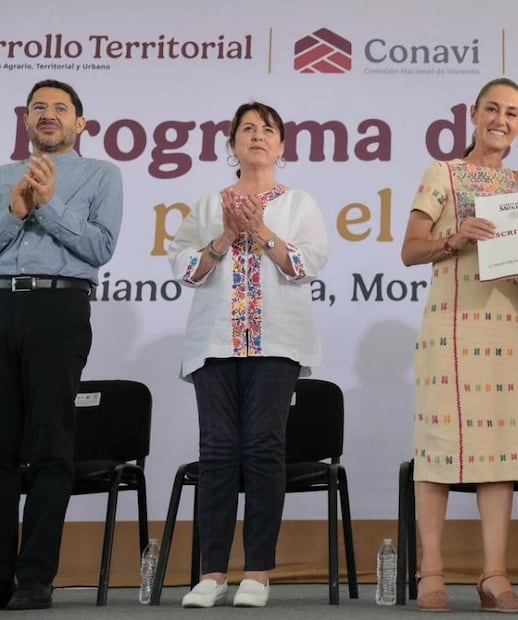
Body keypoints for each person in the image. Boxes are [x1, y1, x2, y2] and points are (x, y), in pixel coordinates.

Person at [167, 101, 329, 608]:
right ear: (232, 143)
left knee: (262, 449)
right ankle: (212, 573)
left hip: (277, 342)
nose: (257, 136)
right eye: (247, 129)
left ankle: (257, 572)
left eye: (268, 130)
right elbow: (186, 268)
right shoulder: (207, 204)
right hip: (215, 343)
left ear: (282, 145)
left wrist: (260, 232)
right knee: (217, 454)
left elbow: (307, 263)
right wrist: (226, 237)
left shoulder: (299, 202)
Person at [400, 77, 518, 614]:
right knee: (437, 451)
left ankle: (493, 578)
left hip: (507, 330)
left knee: (500, 454)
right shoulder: (443, 173)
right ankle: (429, 574)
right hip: (452, 328)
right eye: (492, 109)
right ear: (474, 115)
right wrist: (456, 238)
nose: (501, 119)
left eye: (512, 112)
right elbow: (410, 250)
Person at [0, 79, 123, 610]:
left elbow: (99, 246)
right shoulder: (5, 176)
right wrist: (17, 211)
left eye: (59, 108)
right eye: (38, 108)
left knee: (51, 443)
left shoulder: (101, 174)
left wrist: (47, 206)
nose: (47, 115)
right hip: (2, 303)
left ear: (80, 124)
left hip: (59, 307)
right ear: (26, 121)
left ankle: (35, 576)